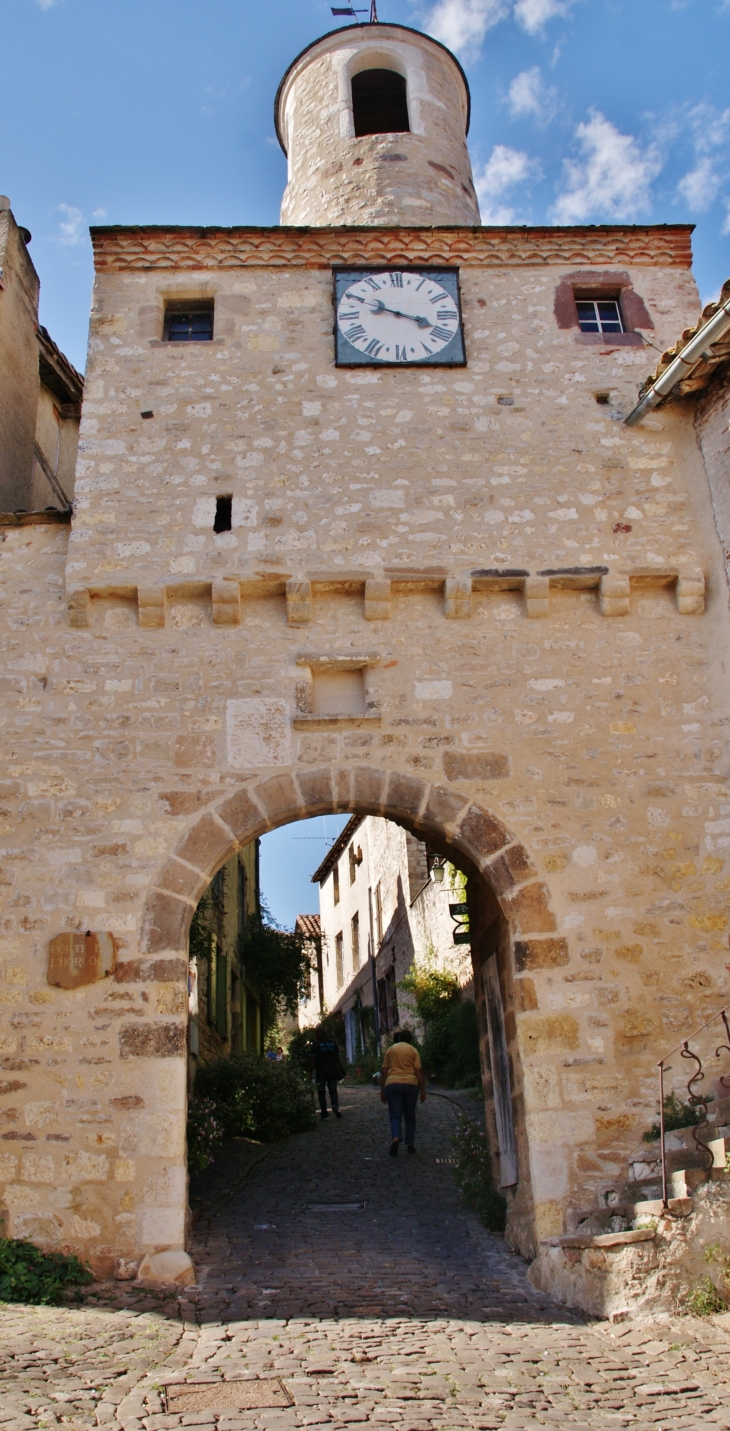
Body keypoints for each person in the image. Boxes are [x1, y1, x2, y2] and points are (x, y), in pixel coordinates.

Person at [380, 1028, 425, 1156]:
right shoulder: (413, 1051)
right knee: (410, 1116)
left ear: (400, 1038)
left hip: (393, 1084)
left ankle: (395, 1138)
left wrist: (382, 1090)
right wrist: (422, 1090)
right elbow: (419, 1071)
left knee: (395, 1115)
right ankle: (410, 1144)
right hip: (411, 1085)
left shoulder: (391, 1050)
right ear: (410, 1040)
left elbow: (384, 1071)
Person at [310, 1024, 344, 1121]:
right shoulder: (333, 1043)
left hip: (321, 1072)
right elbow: (338, 1058)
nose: (315, 1034)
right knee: (333, 1090)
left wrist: (310, 1073)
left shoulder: (316, 1044)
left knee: (321, 1092)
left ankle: (324, 1114)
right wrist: (341, 1069)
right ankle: (335, 1106)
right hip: (332, 1071)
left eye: (316, 1032)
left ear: (320, 1033)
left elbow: (312, 1059)